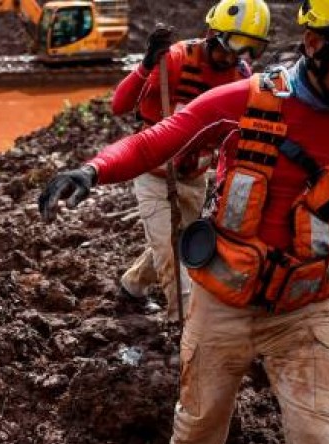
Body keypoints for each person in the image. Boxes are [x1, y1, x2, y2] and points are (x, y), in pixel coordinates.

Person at [38, 0, 329, 444]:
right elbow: (159, 139)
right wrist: (92, 170)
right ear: (313, 45)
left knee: (326, 442)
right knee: (202, 417)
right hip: (224, 296)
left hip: (304, 309)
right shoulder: (244, 100)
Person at [115, 0, 270, 320]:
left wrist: (228, 182)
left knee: (178, 242)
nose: (235, 56)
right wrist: (145, 66)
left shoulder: (239, 77)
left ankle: (131, 286)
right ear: (212, 32)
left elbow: (234, 136)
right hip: (154, 172)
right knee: (171, 253)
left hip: (194, 177)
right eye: (233, 44)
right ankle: (183, 322)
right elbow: (120, 105)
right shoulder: (174, 60)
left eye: (248, 49)